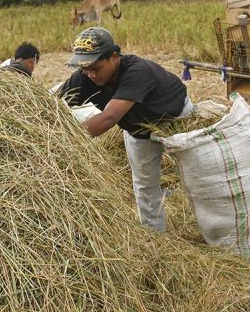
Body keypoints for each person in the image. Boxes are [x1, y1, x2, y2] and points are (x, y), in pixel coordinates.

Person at [59, 27, 195, 232]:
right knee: (145, 185)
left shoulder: (137, 71)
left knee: (195, 179)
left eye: (96, 67)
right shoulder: (85, 76)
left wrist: (64, 140)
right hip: (138, 129)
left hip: (175, 120)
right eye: (84, 68)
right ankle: (154, 235)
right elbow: (53, 104)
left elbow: (110, 117)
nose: (90, 74)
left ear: (114, 57)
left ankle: (211, 228)